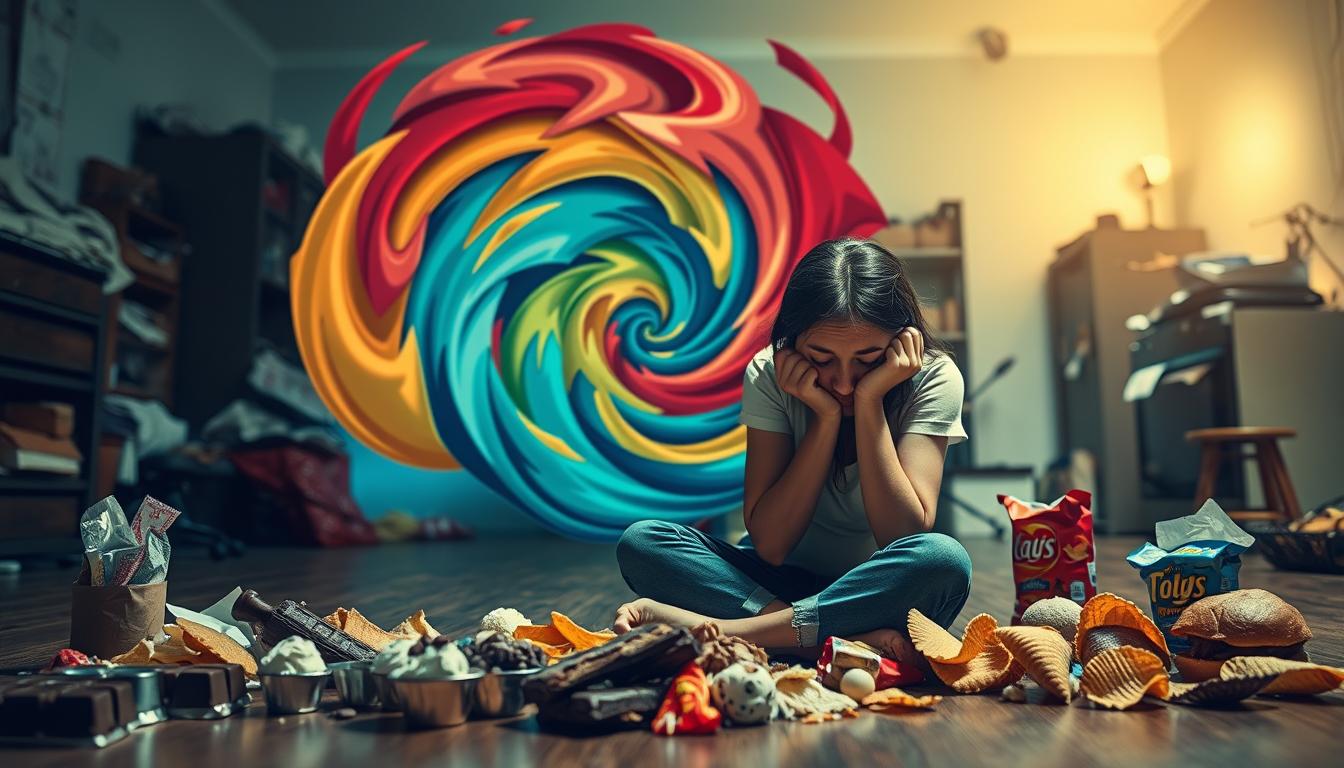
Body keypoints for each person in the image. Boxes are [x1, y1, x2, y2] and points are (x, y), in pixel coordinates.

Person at [613, 238, 972, 662]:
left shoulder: (933, 377)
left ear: (900, 344)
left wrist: (870, 401)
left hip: (872, 588)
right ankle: (829, 639)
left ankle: (738, 634)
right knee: (643, 543)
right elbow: (771, 545)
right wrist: (824, 420)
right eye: (821, 357)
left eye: (868, 360)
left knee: (943, 561)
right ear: (793, 342)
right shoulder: (769, 373)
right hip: (771, 586)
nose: (843, 382)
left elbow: (902, 534)